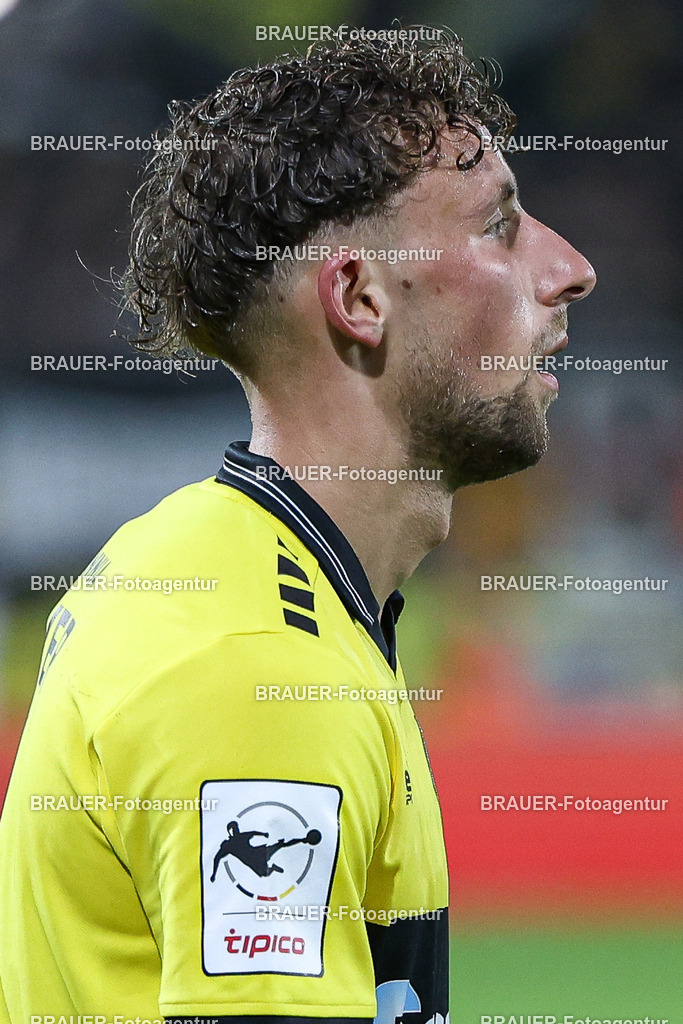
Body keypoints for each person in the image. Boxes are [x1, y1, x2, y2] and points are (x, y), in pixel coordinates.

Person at [0, 30, 595, 1023]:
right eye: (498, 226)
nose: (568, 269)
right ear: (360, 299)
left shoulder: (233, 573)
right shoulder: (257, 666)